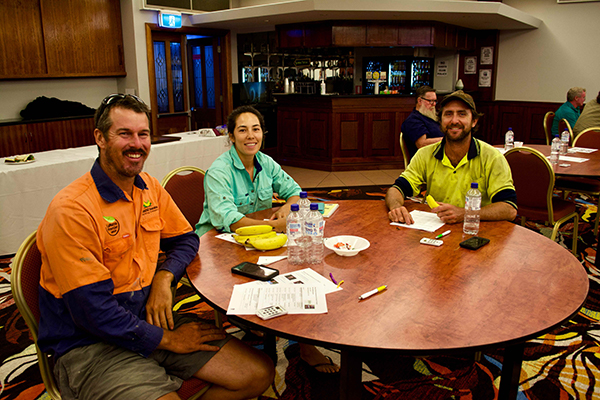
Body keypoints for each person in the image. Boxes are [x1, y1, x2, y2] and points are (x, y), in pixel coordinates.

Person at [36, 94, 274, 400]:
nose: (137, 144)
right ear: (100, 138)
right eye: (124, 134)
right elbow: (92, 313)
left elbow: (187, 239)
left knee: (257, 374)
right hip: (91, 345)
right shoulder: (72, 210)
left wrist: (165, 277)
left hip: (150, 317)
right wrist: (169, 340)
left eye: (143, 134)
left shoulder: (147, 186)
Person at [196, 105, 340, 374]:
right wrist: (282, 225)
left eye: (256, 129)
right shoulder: (219, 171)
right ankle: (260, 332)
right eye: (242, 130)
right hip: (218, 245)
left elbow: (295, 191)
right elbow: (229, 219)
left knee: (302, 270)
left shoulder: (266, 162)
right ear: (231, 136)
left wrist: (288, 207)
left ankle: (304, 345)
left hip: (260, 239)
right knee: (276, 274)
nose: (250, 136)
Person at [386, 90, 517, 225]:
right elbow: (397, 189)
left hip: (476, 231)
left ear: (474, 121)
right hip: (435, 231)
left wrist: (465, 213)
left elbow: (509, 209)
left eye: (462, 114)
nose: (454, 121)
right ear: (440, 120)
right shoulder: (425, 155)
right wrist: (396, 207)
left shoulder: (492, 157)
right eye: (448, 114)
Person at [401, 86, 444, 159]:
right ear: (420, 101)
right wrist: (447, 140)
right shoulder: (413, 120)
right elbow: (421, 144)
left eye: (435, 101)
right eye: (430, 101)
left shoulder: (431, 117)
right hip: (426, 161)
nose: (434, 104)